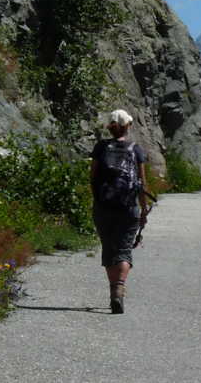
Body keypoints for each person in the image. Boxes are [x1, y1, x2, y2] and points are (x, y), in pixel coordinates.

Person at [90, 109, 150, 314]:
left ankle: (112, 290)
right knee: (124, 250)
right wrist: (143, 209)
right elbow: (141, 183)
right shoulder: (136, 149)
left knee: (109, 249)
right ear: (128, 126)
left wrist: (97, 200)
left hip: (103, 206)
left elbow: (93, 177)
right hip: (128, 207)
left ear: (110, 127)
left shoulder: (100, 147)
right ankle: (119, 289)